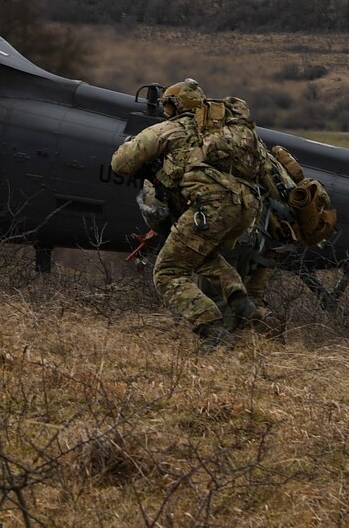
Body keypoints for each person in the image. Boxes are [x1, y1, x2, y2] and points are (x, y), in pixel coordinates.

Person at [110, 78, 263, 347]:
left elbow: (120, 164)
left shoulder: (171, 129)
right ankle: (240, 301)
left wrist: (131, 143)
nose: (165, 110)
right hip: (242, 209)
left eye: (168, 105)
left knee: (168, 271)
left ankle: (212, 331)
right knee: (199, 254)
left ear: (176, 105)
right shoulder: (223, 131)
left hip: (208, 208)